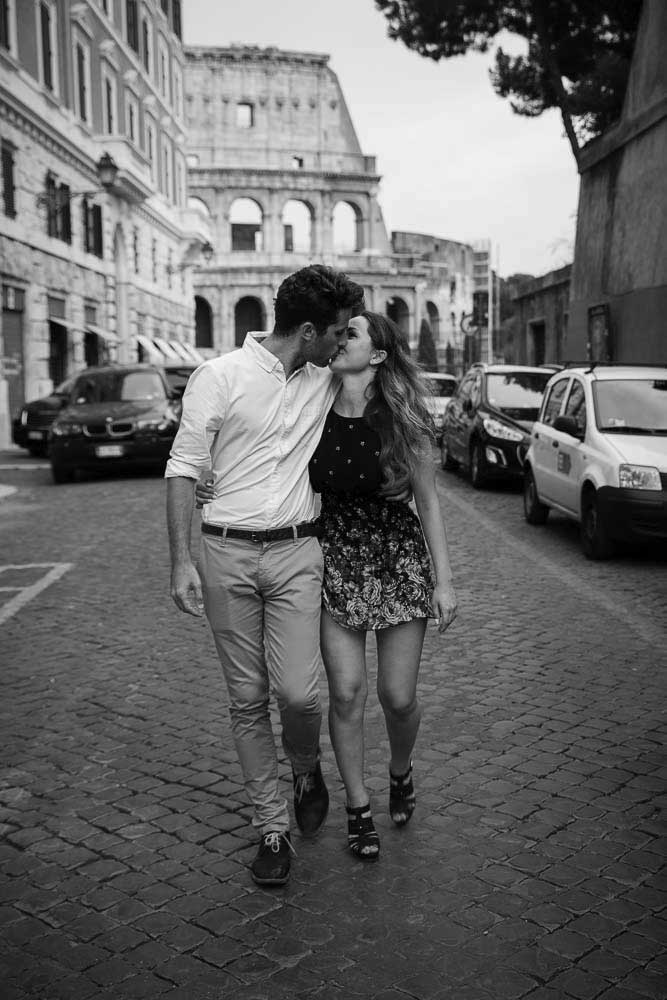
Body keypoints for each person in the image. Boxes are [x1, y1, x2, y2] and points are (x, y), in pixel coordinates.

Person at [197, 311, 458, 863]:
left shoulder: (403, 418)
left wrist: (445, 581)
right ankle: (358, 809)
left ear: (379, 356)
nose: (341, 341)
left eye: (353, 334)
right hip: (332, 556)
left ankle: (400, 769)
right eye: (340, 332)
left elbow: (430, 502)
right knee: (344, 692)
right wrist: (211, 476)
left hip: (397, 558)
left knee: (398, 696)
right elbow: (260, 442)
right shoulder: (313, 401)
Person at [166, 264, 364, 887]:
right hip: (225, 551)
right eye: (336, 332)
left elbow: (381, 358)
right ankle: (271, 827)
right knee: (247, 700)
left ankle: (305, 765)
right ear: (308, 331)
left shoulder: (325, 378)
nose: (342, 342)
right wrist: (181, 560)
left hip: (297, 552)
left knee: (302, 694)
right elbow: (183, 466)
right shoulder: (218, 377)